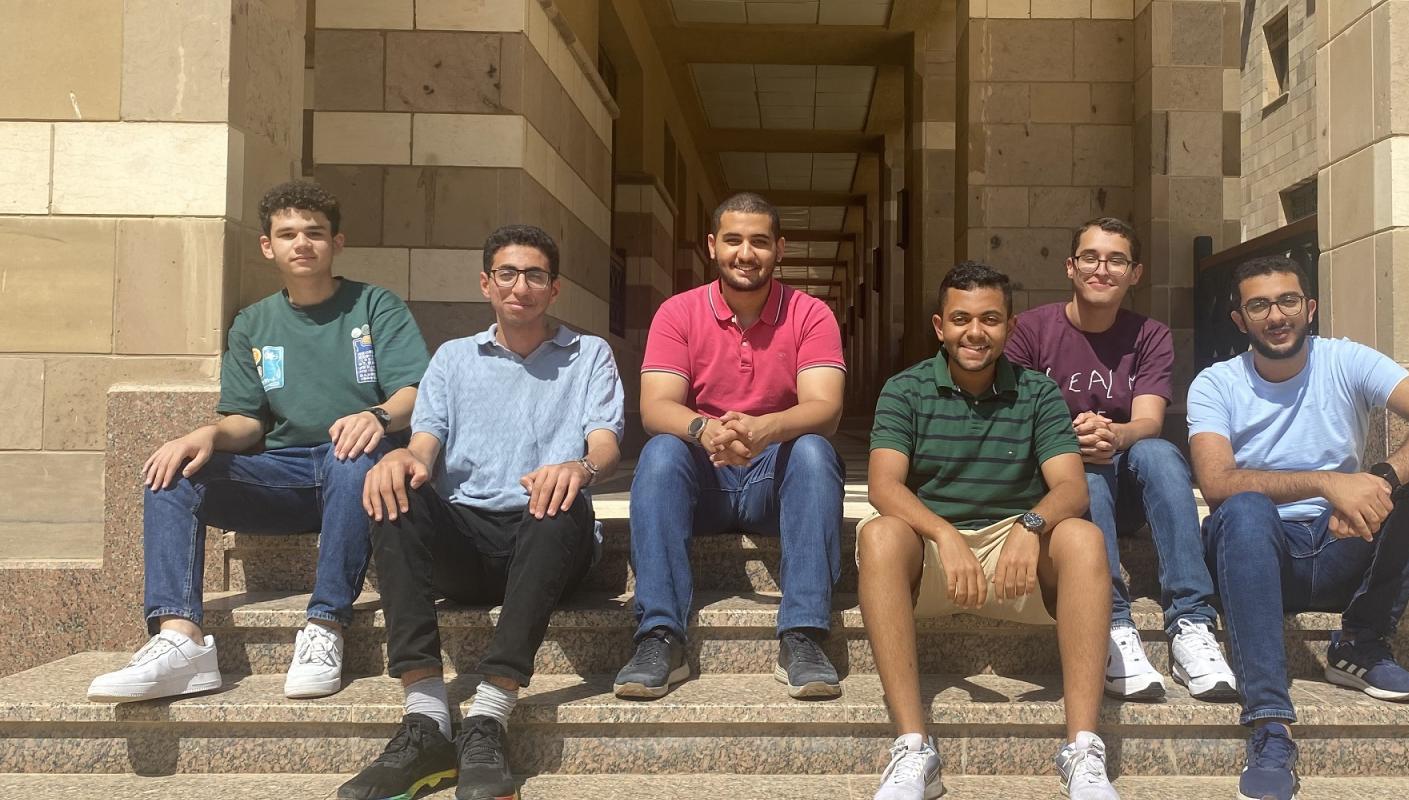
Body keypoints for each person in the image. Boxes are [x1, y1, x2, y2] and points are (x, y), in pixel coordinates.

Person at [87, 180, 429, 703]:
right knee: (174, 473)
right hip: (284, 474)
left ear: (337, 242)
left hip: (360, 473)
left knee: (353, 454)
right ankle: (180, 640)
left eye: (315, 233)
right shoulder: (254, 322)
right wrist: (206, 434)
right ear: (268, 246)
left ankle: (325, 626)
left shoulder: (374, 305)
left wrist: (378, 417)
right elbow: (246, 421)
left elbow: (415, 388)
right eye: (287, 234)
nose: (302, 243)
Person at [338, 225, 624, 800]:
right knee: (395, 488)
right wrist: (400, 462)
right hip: (466, 537)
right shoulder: (452, 359)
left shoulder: (588, 354)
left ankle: (490, 714)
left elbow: (606, 445)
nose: (521, 286)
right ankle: (425, 723)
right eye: (508, 274)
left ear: (554, 288)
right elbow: (424, 445)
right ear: (486, 283)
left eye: (535, 275)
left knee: (559, 499)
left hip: (551, 535)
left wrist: (578, 469)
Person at [1188, 255, 1409, 800]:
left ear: (1309, 308)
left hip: (1341, 541)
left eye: (1288, 301)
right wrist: (1328, 483)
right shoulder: (1216, 383)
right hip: (1255, 556)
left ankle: (1362, 643)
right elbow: (1218, 481)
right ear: (1240, 320)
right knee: (1245, 508)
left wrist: (1382, 479)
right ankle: (1270, 723)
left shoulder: (1347, 361)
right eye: (1259, 305)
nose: (1277, 316)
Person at [861, 262, 1120, 800]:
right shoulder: (905, 390)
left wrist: (1031, 524)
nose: (974, 332)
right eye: (960, 318)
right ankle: (913, 748)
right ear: (939, 326)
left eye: (990, 319)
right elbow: (885, 487)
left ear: (1010, 325)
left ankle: (1083, 750)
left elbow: (1072, 488)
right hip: (933, 553)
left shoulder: (1038, 393)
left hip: (1014, 555)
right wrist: (944, 535)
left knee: (1083, 538)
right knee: (880, 533)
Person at [615, 191, 847, 700]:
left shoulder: (810, 315)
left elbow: (825, 407)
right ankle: (660, 635)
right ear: (712, 246)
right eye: (735, 240)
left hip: (774, 483)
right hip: (706, 483)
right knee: (660, 452)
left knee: (813, 451)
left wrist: (766, 428)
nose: (747, 253)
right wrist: (705, 430)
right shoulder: (679, 312)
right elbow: (656, 406)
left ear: (779, 249)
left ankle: (803, 634)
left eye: (760, 242)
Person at [1006, 217, 1236, 701]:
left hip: (1127, 481)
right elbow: (1015, 420)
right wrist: (1070, 440)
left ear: (1135, 273)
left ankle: (1191, 624)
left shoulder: (1149, 335)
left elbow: (1148, 421)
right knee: (1082, 476)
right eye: (1090, 257)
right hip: (1064, 486)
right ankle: (1111, 625)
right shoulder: (1029, 331)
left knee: (1161, 452)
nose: (1101, 269)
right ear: (1070, 267)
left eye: (1116, 260)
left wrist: (1113, 433)